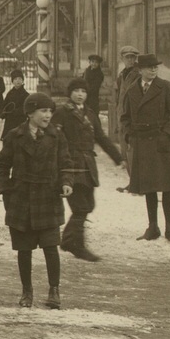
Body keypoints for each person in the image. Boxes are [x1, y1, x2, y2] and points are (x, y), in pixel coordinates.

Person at [0, 92, 73, 309]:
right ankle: (26, 291)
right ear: (30, 113)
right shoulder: (14, 136)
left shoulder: (57, 135)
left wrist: (67, 182)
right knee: (24, 248)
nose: (48, 115)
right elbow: (2, 165)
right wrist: (6, 190)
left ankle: (54, 291)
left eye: (50, 111)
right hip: (22, 199)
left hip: (48, 197)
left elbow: (66, 163)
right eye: (43, 111)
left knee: (51, 246)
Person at [52, 78, 124, 262]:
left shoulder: (91, 114)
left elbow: (101, 137)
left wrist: (118, 158)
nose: (80, 94)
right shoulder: (61, 113)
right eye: (76, 91)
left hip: (87, 164)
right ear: (70, 93)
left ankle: (69, 240)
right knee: (80, 205)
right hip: (70, 164)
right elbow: (55, 140)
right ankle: (76, 244)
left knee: (88, 204)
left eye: (83, 91)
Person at [119, 53, 170, 242]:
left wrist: (167, 135)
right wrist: (130, 135)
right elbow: (125, 117)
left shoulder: (164, 87)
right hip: (142, 142)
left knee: (167, 186)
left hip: (161, 142)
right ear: (140, 70)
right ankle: (153, 227)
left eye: (155, 66)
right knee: (148, 186)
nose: (154, 69)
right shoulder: (132, 90)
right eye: (149, 67)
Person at [0, 71, 29, 139]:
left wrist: (16, 111)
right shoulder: (10, 93)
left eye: (19, 79)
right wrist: (3, 112)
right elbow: (5, 104)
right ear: (12, 81)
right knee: (9, 141)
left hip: (20, 121)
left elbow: (26, 108)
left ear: (22, 81)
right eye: (15, 79)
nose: (17, 81)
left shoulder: (25, 94)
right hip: (9, 122)